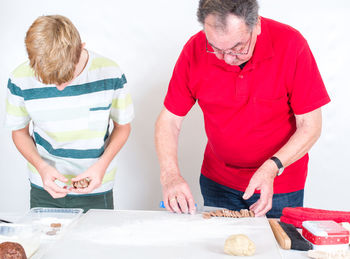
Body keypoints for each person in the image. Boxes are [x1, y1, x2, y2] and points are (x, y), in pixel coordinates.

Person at [155, 0, 330, 218]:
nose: (227, 58)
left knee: (275, 251)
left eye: (238, 47)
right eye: (216, 48)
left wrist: (271, 167)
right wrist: (170, 175)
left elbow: (310, 126)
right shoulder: (195, 48)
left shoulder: (291, 45)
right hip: (218, 182)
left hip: (280, 185)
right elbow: (170, 120)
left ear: (256, 24)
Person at [5, 15, 134, 212]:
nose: (60, 88)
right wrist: (42, 167)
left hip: (98, 187)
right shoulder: (19, 79)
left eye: (67, 76)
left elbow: (123, 127)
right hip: (44, 187)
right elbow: (19, 132)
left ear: (81, 47)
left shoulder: (110, 73)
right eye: (51, 81)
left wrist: (102, 166)